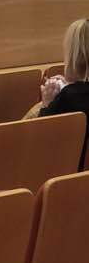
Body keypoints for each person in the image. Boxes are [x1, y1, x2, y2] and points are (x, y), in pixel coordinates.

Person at [40, 19, 89, 169]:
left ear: (74, 55)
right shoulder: (72, 93)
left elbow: (39, 139)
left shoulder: (69, 97)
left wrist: (47, 103)